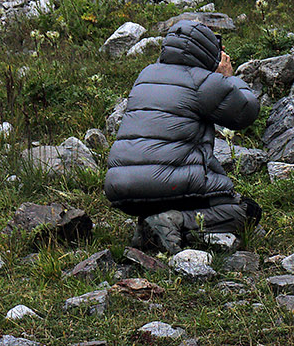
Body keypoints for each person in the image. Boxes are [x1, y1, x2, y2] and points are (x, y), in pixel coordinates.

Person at [104, 20, 261, 253]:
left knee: (164, 196)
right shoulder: (203, 81)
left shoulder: (146, 74)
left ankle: (150, 227)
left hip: (120, 187)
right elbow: (246, 111)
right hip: (169, 184)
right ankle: (177, 223)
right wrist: (227, 78)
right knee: (246, 211)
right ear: (207, 51)